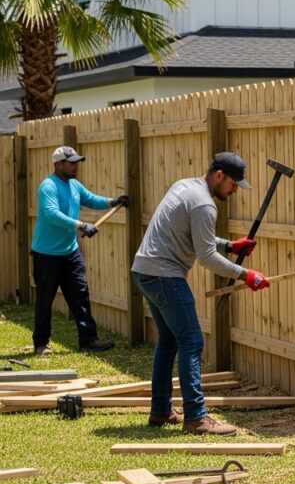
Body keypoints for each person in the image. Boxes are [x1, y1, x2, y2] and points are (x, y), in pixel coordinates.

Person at [131, 152, 270, 436]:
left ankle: (160, 412)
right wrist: (246, 274)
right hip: (164, 274)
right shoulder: (205, 205)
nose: (234, 191)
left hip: (144, 270)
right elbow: (206, 257)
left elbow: (195, 237)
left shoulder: (184, 186)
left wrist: (230, 245)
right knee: (191, 341)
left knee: (169, 340)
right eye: (233, 184)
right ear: (219, 175)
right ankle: (196, 418)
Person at [31, 146, 129, 355]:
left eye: (76, 162)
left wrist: (114, 201)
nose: (76, 166)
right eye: (72, 162)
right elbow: (52, 214)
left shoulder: (74, 185)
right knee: (45, 300)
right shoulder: (48, 186)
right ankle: (41, 343)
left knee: (80, 296)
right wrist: (81, 225)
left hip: (70, 252)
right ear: (58, 164)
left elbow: (91, 199)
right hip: (46, 254)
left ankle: (88, 340)